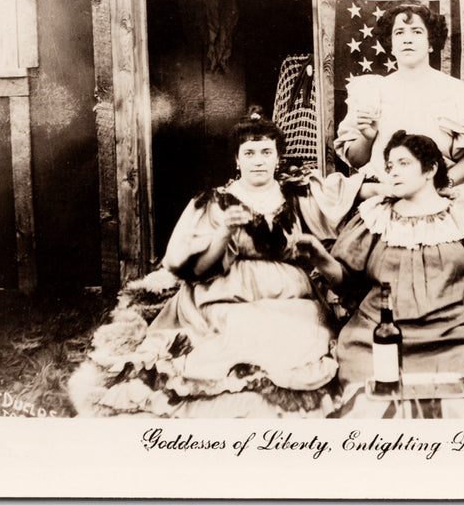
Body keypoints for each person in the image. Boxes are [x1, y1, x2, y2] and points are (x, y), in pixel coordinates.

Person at [73, 110, 365, 417]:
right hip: (224, 294)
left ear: (278, 157)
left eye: (266, 152)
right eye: (249, 153)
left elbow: (351, 194)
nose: (258, 160)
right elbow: (198, 270)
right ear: (237, 160)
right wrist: (224, 231)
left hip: (291, 295)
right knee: (239, 333)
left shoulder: (296, 193)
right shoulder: (214, 201)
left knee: (301, 331)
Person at [297, 131, 464, 418]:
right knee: (372, 409)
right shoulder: (374, 216)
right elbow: (345, 280)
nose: (393, 172)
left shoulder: (463, 214)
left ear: (431, 169)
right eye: (390, 166)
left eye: (403, 164)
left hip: (457, 338)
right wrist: (318, 256)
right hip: (379, 338)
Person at [333, 1, 464, 188]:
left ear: (431, 43)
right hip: (387, 195)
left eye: (417, 31)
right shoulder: (371, 91)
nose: (407, 39)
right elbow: (356, 161)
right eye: (399, 33)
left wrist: (439, 186)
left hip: (443, 197)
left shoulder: (458, 91)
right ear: (391, 45)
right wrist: (367, 137)